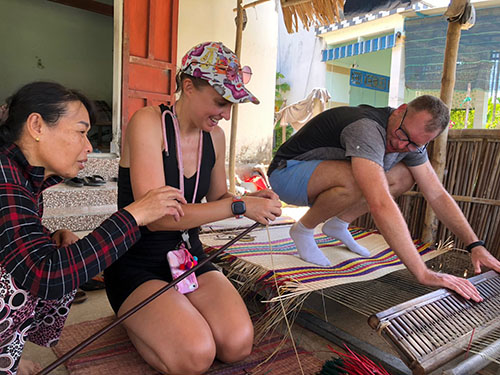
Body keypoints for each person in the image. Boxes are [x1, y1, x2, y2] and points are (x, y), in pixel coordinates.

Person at [104, 41, 282, 375]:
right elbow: (156, 219)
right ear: (188, 87)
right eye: (219, 102)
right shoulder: (147, 123)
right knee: (196, 356)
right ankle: (134, 318)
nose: (226, 114)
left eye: (231, 105)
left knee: (237, 344)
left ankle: (171, 312)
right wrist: (241, 207)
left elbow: (219, 198)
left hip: (189, 257)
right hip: (136, 264)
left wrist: (255, 201)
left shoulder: (213, 137)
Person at [0, 81, 187, 375]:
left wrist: (48, 239)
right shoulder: (5, 182)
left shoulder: (20, 177)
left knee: (57, 254)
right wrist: (133, 216)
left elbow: (12, 241)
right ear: (36, 126)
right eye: (80, 131)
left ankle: (5, 356)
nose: (89, 146)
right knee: (32, 278)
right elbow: (43, 274)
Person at [268, 95, 500, 301]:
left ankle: (338, 224)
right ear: (399, 110)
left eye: (414, 144)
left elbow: (437, 193)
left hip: (324, 177)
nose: (401, 145)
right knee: (362, 179)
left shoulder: (411, 142)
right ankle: (304, 229)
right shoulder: (366, 128)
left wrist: (475, 245)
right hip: (287, 174)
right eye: (402, 135)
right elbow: (379, 202)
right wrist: (422, 272)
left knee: (406, 175)